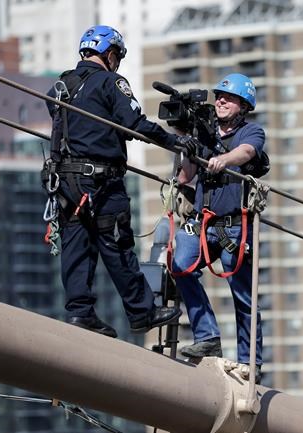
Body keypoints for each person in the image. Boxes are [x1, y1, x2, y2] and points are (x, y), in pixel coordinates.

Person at [45, 25, 196, 337]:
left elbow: (64, 117)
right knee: (118, 245)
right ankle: (142, 312)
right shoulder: (112, 82)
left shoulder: (62, 85)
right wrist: (174, 142)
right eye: (117, 57)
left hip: (66, 183)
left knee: (77, 247)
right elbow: (134, 123)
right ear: (109, 54)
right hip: (102, 183)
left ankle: (80, 313)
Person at [171, 73, 265, 381]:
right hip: (201, 221)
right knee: (180, 265)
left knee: (243, 297)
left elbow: (247, 153)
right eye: (219, 96)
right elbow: (185, 177)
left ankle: (250, 362)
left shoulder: (251, 132)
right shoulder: (205, 132)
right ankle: (207, 336)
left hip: (233, 227)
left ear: (243, 105)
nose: (221, 101)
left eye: (229, 97)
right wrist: (186, 145)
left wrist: (222, 160)